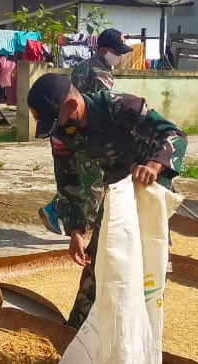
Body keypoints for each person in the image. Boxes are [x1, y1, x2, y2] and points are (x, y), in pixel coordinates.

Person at [28, 73, 187, 329]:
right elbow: (68, 179)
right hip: (116, 192)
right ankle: (76, 338)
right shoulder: (62, 132)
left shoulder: (121, 107)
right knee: (98, 262)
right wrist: (76, 231)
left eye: (55, 121)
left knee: (146, 266)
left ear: (71, 106)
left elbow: (174, 135)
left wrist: (154, 166)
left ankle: (141, 334)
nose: (55, 130)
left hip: (149, 188)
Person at [38, 29, 134, 236]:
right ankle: (87, 232)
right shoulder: (101, 74)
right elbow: (103, 109)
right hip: (88, 134)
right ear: (103, 50)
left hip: (69, 133)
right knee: (94, 184)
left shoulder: (82, 67)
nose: (120, 56)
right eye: (117, 52)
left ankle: (54, 209)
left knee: (79, 178)